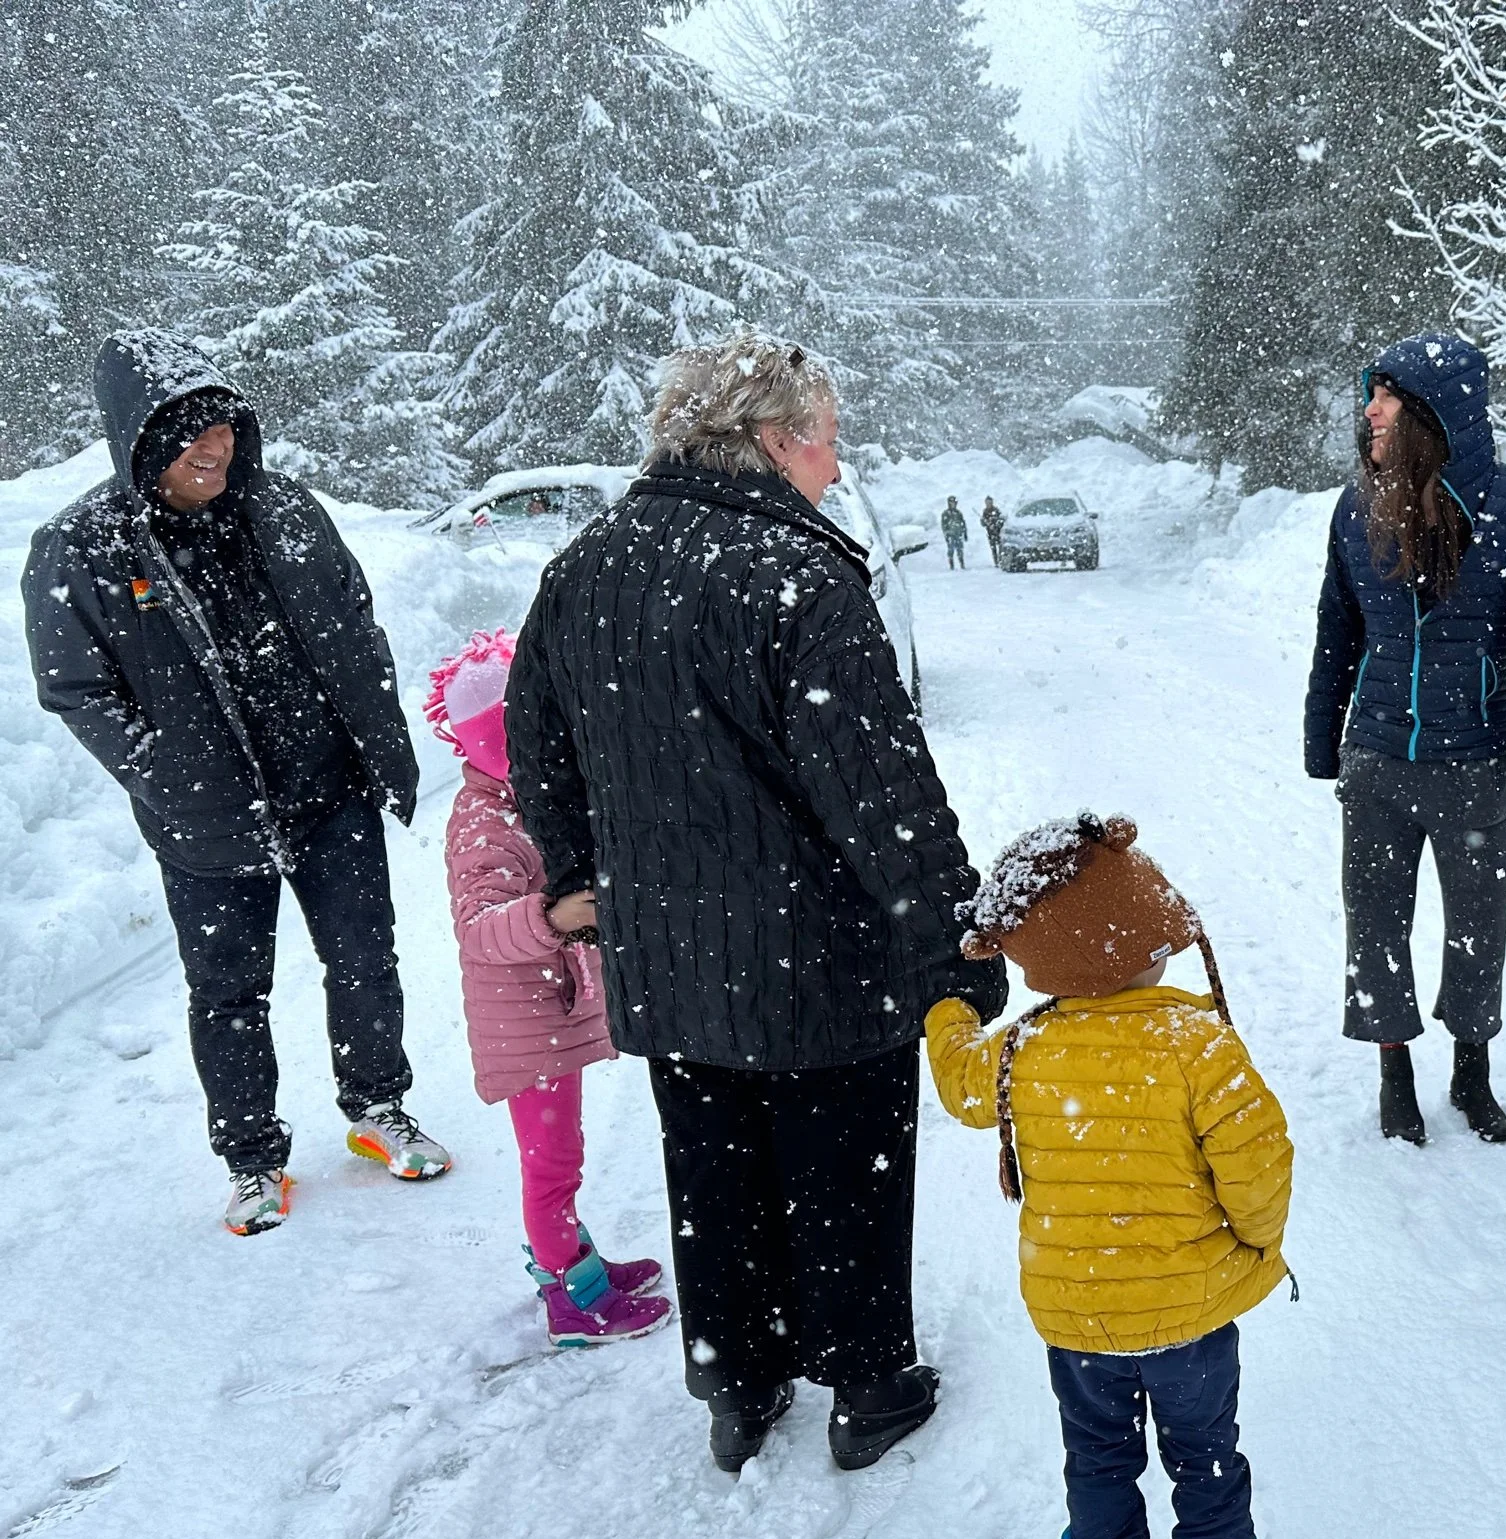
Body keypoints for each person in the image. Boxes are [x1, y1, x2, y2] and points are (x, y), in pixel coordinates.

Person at [508, 334, 1006, 1474]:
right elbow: (883, 796)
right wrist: (957, 945)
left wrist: (586, 883)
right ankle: (869, 1385)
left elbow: (537, 747)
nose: (835, 463)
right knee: (843, 1168)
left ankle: (737, 1385)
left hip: (671, 963)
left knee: (714, 1171)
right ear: (775, 442)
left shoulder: (584, 568)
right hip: (820, 957)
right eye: (827, 440)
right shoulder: (796, 578)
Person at [21, 332, 450, 1236]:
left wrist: (374, 731)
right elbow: (74, 687)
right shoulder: (81, 546)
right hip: (207, 819)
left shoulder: (282, 507)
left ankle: (378, 1106)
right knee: (228, 992)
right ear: (139, 439)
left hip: (326, 788)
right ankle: (253, 1157)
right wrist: (163, 773)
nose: (213, 447)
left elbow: (354, 618)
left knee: (365, 958)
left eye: (222, 426)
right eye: (189, 433)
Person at [925, 813, 1292, 1539]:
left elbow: (961, 1083)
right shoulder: (1197, 1043)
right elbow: (1259, 1163)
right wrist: (1255, 1245)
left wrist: (947, 1009)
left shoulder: (1022, 1048)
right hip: (1190, 1317)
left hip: (1079, 1319)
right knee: (1205, 1451)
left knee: (1096, 1453)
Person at [1302, 332, 1506, 1147]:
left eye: (1386, 397)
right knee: (1375, 927)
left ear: (1434, 412)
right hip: (1377, 761)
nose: (1370, 410)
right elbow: (1336, 630)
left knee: (1478, 931)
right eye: (1371, 395)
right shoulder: (1357, 506)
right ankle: (1394, 1073)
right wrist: (1323, 738)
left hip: (1475, 762)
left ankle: (1471, 1070)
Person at [426, 630, 671, 1349]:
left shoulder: (519, 799)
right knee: (552, 1163)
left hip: (545, 1009)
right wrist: (553, 916)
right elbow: (478, 929)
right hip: (523, 1024)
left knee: (561, 1155)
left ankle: (577, 1262)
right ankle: (573, 1299)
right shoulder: (487, 823)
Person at [940, 495, 969, 570]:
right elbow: (944, 525)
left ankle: (962, 564)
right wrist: (946, 534)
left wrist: (965, 533)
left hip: (958, 534)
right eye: (951, 502)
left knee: (960, 550)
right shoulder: (945, 513)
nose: (953, 504)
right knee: (951, 550)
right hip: (950, 535)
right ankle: (951, 565)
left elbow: (963, 523)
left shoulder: (958, 513)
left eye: (954, 502)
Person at [980, 495, 1006, 567]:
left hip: (998, 532)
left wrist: (996, 525)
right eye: (987, 502)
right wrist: (984, 522)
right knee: (993, 549)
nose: (988, 504)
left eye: (990, 502)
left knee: (1000, 548)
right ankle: (996, 562)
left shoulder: (996, 510)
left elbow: (1001, 520)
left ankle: (1001, 561)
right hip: (990, 533)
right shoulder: (985, 511)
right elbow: (983, 523)